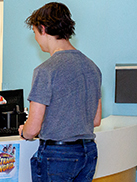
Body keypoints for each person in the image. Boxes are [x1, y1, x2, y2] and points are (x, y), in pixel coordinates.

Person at [19, 2, 102, 182]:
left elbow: (32, 128)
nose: (35, 39)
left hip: (58, 156)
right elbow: (95, 120)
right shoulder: (92, 68)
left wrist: (23, 131)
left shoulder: (45, 70)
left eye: (34, 32)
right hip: (88, 153)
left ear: (42, 29)